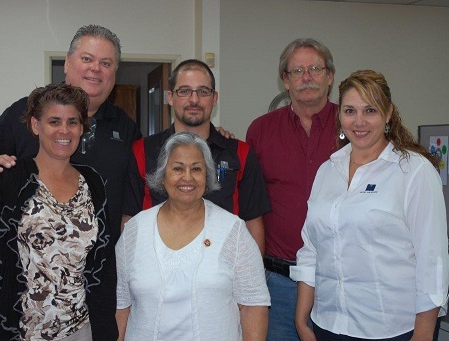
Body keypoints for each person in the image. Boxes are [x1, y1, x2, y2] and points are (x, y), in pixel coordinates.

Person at [290, 70, 449, 340]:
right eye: (350, 111)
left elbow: (432, 262)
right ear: (339, 116)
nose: (359, 121)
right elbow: (312, 248)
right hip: (327, 324)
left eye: (370, 110)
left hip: (392, 329)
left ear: (388, 115)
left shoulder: (414, 172)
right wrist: (302, 320)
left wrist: (423, 335)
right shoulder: (327, 170)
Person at [0, 24, 141, 242]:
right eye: (87, 59)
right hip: (27, 263)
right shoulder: (26, 112)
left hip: (97, 266)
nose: (95, 68)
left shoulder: (126, 128)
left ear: (114, 73)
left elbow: (130, 209)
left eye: (105, 63)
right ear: (67, 63)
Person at [0, 84, 117, 340]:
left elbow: (104, 267)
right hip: (19, 331)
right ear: (35, 125)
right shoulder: (6, 180)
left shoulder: (93, 182)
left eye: (72, 122)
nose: (64, 130)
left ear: (82, 128)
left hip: (80, 330)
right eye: (54, 121)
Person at [115, 131, 270, 340]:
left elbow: (253, 306)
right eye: (177, 168)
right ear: (163, 175)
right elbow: (121, 307)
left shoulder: (232, 230)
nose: (187, 177)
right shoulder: (135, 230)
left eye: (196, 169)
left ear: (207, 177)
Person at [123, 59, 270, 254]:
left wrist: (252, 276)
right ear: (170, 97)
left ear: (214, 98)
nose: (194, 100)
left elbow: (253, 223)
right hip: (157, 269)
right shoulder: (142, 150)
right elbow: (129, 219)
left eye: (203, 91)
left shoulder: (240, 153)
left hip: (222, 273)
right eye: (184, 91)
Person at [246, 38, 337, 339]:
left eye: (314, 68)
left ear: (330, 76)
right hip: (279, 284)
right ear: (285, 81)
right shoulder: (260, 131)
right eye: (297, 71)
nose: (306, 77)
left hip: (339, 281)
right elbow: (249, 201)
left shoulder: (353, 127)